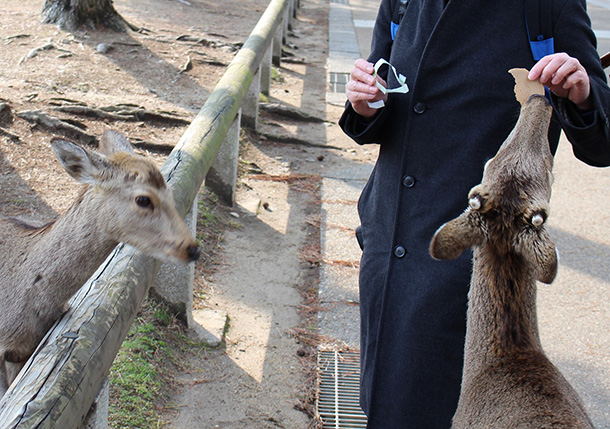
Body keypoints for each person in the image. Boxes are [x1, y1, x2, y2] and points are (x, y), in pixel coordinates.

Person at [339, 0, 610, 426]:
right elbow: (382, 87)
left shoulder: (549, 5)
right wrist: (363, 104)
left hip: (467, 265)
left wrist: (582, 92)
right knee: (384, 406)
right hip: (388, 245)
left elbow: (602, 140)